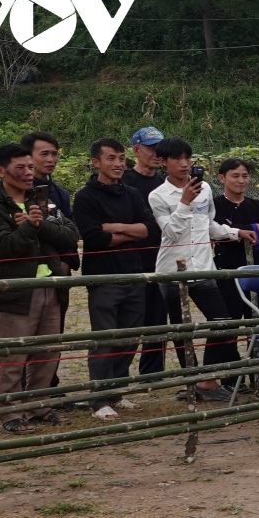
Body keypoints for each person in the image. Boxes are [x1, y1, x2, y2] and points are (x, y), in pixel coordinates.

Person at [0, 143, 80, 434]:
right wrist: (28, 229)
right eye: (20, 168)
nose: (28, 173)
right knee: (12, 356)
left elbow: (70, 235)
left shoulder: (41, 199)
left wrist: (35, 224)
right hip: (14, 289)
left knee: (46, 352)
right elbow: (3, 247)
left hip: (50, 284)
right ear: (1, 171)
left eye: (29, 166)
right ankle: (10, 414)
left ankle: (39, 405)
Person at [148, 137, 250, 398]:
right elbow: (171, 232)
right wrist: (183, 202)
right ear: (163, 162)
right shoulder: (157, 196)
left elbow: (209, 223)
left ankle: (206, 379)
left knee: (223, 322)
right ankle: (192, 384)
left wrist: (234, 231)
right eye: (177, 159)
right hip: (172, 271)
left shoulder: (204, 188)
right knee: (182, 330)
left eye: (187, 158)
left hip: (204, 266)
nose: (184, 164)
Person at [72, 138, 159, 421]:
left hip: (134, 273)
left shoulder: (132, 194)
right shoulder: (85, 196)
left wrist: (117, 229)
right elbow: (94, 238)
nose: (118, 164)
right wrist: (127, 233)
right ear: (96, 162)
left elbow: (149, 230)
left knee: (129, 337)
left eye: (121, 158)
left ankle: (116, 392)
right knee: (104, 339)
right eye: (111, 158)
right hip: (103, 277)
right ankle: (98, 399)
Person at [19, 130, 78, 389]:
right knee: (25, 337)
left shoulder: (60, 193)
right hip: (26, 272)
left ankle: (49, 389)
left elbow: (70, 233)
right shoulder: (15, 191)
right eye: (44, 153)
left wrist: (66, 263)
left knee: (53, 335)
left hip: (58, 272)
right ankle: (21, 393)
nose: (51, 159)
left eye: (54, 153)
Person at [213, 158, 259, 387]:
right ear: (222, 178)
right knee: (229, 324)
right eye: (235, 176)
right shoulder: (216, 205)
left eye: (245, 176)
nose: (241, 180)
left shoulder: (256, 205)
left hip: (258, 271)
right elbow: (219, 232)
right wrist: (251, 228)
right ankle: (231, 378)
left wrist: (245, 230)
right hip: (228, 271)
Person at [121, 126, 169, 376]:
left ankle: (152, 373)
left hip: (160, 257)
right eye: (151, 148)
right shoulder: (125, 181)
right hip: (132, 258)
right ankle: (117, 377)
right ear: (136, 150)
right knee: (129, 320)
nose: (156, 153)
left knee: (158, 319)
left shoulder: (164, 181)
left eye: (159, 148)